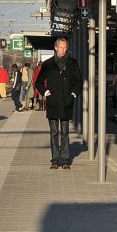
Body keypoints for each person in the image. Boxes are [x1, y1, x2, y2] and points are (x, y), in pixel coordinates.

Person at [34, 37, 83, 169]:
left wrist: (73, 93)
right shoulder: (48, 64)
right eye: (61, 47)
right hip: (53, 102)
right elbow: (38, 82)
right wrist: (45, 92)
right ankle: (55, 159)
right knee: (54, 132)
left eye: (65, 47)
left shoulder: (73, 63)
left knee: (65, 132)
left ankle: (65, 159)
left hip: (66, 102)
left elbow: (78, 81)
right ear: (55, 48)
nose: (63, 50)